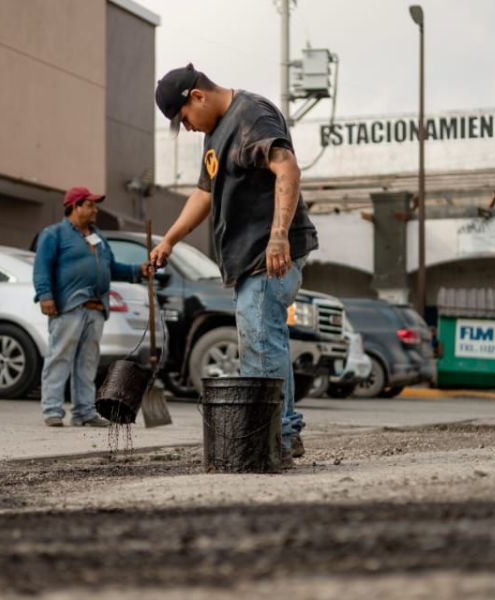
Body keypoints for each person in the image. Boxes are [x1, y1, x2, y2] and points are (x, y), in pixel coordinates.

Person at [150, 64, 319, 466]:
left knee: (260, 344)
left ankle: (273, 441)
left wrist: (278, 234)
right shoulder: (216, 134)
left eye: (185, 117)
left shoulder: (250, 115)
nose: (187, 127)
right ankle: (284, 432)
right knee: (264, 341)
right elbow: (204, 193)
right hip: (251, 259)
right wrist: (170, 240)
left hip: (269, 253)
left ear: (198, 96)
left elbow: (287, 167)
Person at [33, 186, 152, 427]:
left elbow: (111, 267)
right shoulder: (54, 234)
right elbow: (42, 268)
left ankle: (84, 413)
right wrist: (45, 296)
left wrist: (138, 270)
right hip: (69, 307)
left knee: (88, 363)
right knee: (60, 357)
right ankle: (52, 410)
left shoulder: (97, 237)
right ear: (75, 207)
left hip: (96, 309)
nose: (95, 210)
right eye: (90, 205)